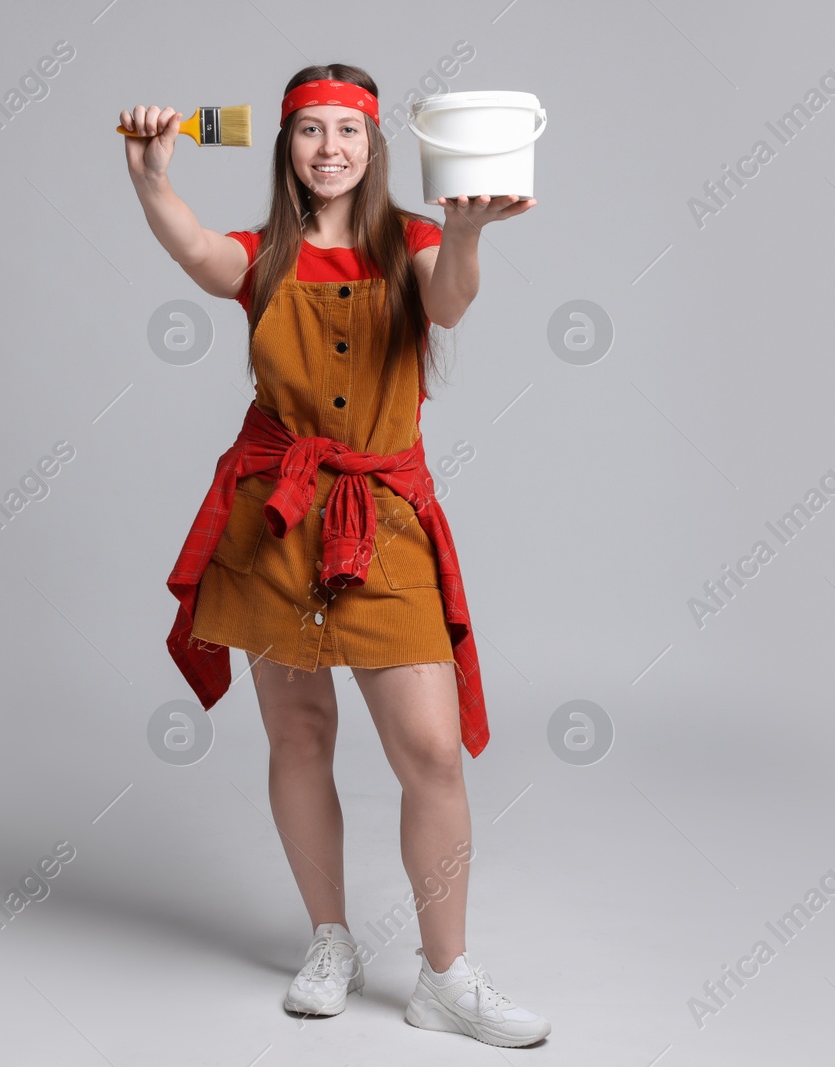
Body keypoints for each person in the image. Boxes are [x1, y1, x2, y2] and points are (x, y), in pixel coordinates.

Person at [121, 63, 547, 1048]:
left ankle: (447, 974)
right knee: (299, 736)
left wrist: (472, 228)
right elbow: (193, 251)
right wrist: (152, 177)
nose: (328, 150)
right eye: (308, 132)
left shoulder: (416, 243)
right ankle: (329, 940)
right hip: (278, 516)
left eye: (345, 132)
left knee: (429, 753)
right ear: (284, 148)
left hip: (384, 519)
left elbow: (447, 303)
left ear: (372, 144)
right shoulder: (262, 256)